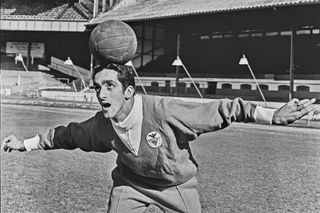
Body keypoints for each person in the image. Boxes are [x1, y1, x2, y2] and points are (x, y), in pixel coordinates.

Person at [2, 63, 316, 213]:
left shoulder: (165, 112)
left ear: (128, 91)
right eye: (98, 87)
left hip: (178, 187)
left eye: (109, 86)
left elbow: (226, 108)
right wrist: (24, 143)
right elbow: (66, 136)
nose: (100, 94)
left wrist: (272, 115)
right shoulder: (101, 125)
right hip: (131, 185)